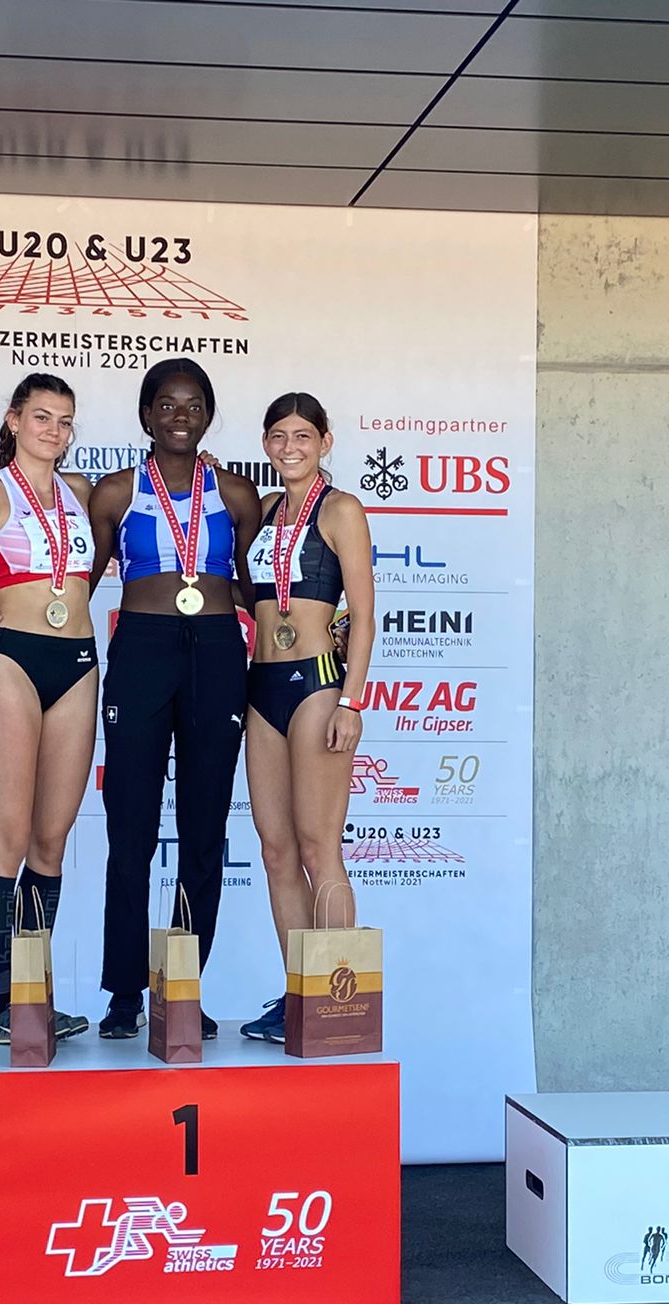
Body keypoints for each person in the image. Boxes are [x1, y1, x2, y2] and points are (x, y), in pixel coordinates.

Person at [87, 359, 264, 1038]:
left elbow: (254, 584)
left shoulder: (238, 493)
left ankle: (182, 988)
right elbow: (76, 582)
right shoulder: (115, 492)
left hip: (217, 652)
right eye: (166, 404)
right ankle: (125, 993)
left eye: (192, 405)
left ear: (208, 416)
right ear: (146, 415)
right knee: (129, 826)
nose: (179, 416)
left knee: (204, 828)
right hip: (142, 650)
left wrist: (315, 621)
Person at [0, 373, 106, 1045]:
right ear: (13, 420)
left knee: (50, 842)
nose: (54, 431)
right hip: (12, 660)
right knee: (7, 839)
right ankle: (2, 1004)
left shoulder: (82, 493)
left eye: (65, 421)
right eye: (41, 417)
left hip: (79, 664)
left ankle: (34, 1000)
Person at [235, 394, 375, 1043]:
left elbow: (364, 616)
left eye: (302, 436)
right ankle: (300, 995)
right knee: (277, 851)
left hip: (317, 684)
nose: (289, 447)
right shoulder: (267, 509)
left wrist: (351, 701)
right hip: (261, 686)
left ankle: (340, 999)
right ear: (266, 443)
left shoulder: (342, 509)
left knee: (320, 847)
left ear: (325, 441)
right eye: (278, 436)